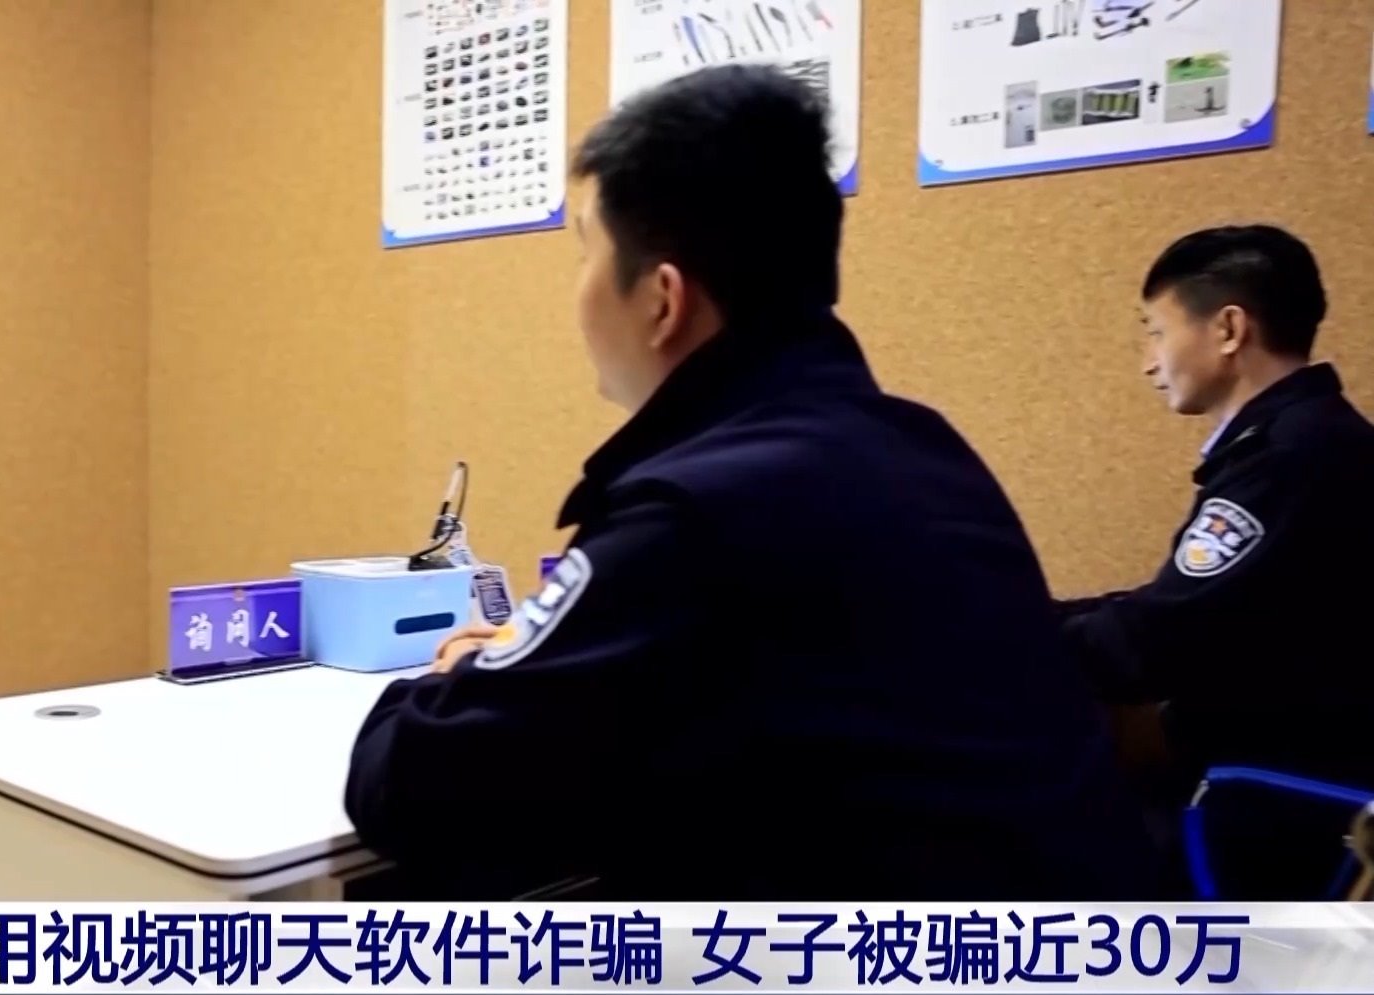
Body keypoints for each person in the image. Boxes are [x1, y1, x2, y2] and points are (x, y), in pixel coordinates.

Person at [343, 64, 1157, 900]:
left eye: (586, 251)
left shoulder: (695, 512)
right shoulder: (918, 444)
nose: (578, 290)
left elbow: (412, 787)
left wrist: (453, 677)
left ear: (662, 300)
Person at [1059, 225, 1374, 897]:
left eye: (1156, 332)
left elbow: (1158, 639)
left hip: (1282, 798)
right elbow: (1181, 603)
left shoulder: (1289, 458)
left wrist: (998, 632)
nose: (1149, 362)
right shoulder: (1305, 439)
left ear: (1229, 329)